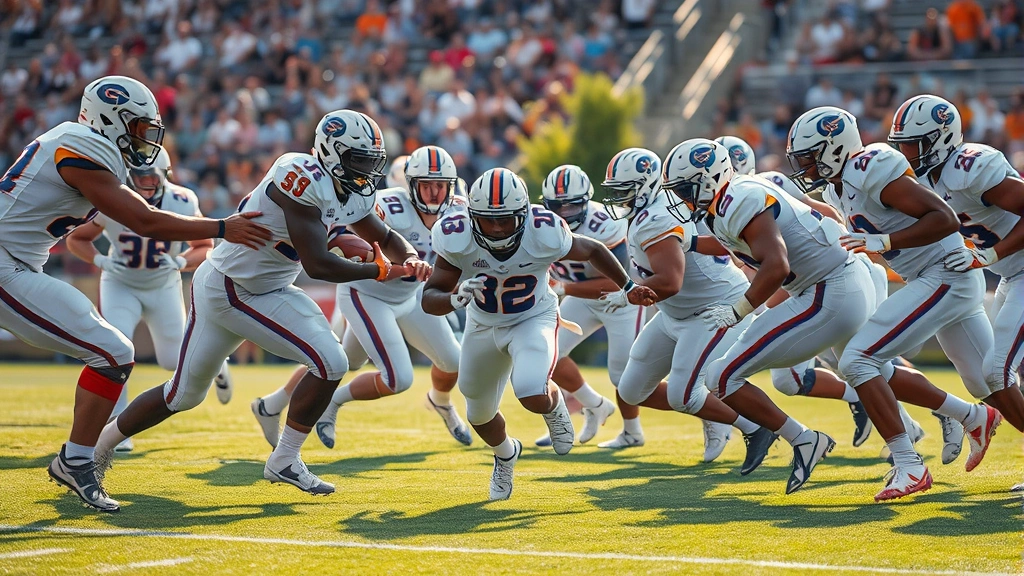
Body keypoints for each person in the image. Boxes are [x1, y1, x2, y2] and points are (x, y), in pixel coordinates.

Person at [95, 110, 428, 499]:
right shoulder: (300, 177)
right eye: (359, 160)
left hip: (266, 287)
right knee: (181, 396)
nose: (367, 170)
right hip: (231, 287)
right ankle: (97, 448)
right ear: (331, 152)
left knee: (331, 362)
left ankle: (285, 458)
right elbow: (319, 265)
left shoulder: (349, 188)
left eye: (372, 161)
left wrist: (411, 257)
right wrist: (378, 271)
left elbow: (383, 236)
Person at [0, 75, 269, 512]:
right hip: (5, 262)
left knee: (117, 351)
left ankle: (75, 459)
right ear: (109, 119)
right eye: (138, 127)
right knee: (112, 352)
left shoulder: (80, 146)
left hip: (19, 263)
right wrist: (223, 227)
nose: (144, 139)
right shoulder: (84, 145)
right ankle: (77, 460)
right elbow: (144, 221)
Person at [665, 138, 932, 501]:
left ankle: (805, 439)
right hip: (833, 282)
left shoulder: (737, 200)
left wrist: (738, 309)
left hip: (828, 289)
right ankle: (960, 419)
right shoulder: (731, 199)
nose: (680, 196)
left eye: (684, 188)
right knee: (863, 369)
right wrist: (691, 243)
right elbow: (749, 245)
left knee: (722, 376)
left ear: (710, 178)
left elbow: (776, 265)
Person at [787, 106, 1001, 482]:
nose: (804, 168)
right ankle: (973, 418)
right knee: (991, 383)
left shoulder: (868, 166)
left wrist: (885, 241)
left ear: (834, 148)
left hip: (943, 274)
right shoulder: (838, 187)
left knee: (857, 359)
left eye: (809, 158)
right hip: (938, 278)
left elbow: (944, 218)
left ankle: (908, 465)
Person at [420, 167, 657, 500]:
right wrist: (453, 299)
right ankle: (506, 454)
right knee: (478, 411)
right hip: (483, 323)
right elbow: (430, 298)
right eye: (489, 219)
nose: (498, 228)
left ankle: (555, 407)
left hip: (533, 317)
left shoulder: (544, 230)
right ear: (472, 216)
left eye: (505, 219)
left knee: (531, 389)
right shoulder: (456, 236)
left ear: (523, 214)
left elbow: (593, 250)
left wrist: (628, 286)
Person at [600, 148, 779, 470]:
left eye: (624, 189)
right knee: (631, 390)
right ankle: (713, 413)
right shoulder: (658, 208)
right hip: (676, 312)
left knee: (683, 395)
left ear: (645, 186)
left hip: (712, 310)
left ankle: (756, 427)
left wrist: (628, 293)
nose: (618, 198)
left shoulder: (656, 217)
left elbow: (670, 282)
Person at [66, 149, 234, 453]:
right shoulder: (113, 199)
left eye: (150, 177)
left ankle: (217, 363)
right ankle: (116, 427)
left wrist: (180, 262)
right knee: (114, 351)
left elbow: (204, 245)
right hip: (120, 284)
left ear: (165, 175)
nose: (144, 184)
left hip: (162, 285)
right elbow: (76, 239)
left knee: (171, 360)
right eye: (138, 177)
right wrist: (100, 260)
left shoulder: (182, 200)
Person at [717, 135, 873, 448]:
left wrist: (851, 248)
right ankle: (897, 419)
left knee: (868, 359)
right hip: (809, 287)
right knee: (801, 376)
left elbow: (821, 216)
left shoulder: (759, 191)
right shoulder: (723, 211)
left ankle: (920, 422)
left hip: (835, 277)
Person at [313, 145, 469, 448]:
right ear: (411, 185)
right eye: (426, 185)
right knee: (395, 378)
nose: (434, 193)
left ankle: (439, 400)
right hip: (368, 293)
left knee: (452, 361)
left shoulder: (459, 211)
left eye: (440, 185)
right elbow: (345, 241)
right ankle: (330, 402)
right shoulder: (387, 205)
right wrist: (401, 266)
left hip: (410, 296)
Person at [889, 94, 1024, 440]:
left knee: (996, 372)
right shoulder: (926, 178)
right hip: (1011, 275)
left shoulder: (970, 166)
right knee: (1000, 375)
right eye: (902, 144)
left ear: (940, 138)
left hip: (1017, 269)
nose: (906, 153)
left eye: (913, 144)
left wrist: (990, 255)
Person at [533, 165, 626, 448]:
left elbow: (620, 283)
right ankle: (594, 405)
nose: (563, 213)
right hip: (580, 297)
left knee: (624, 375)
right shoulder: (540, 223)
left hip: (622, 301)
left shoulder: (605, 223)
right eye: (556, 206)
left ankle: (633, 431)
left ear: (586, 200)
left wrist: (564, 288)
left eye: (571, 205)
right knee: (547, 355)